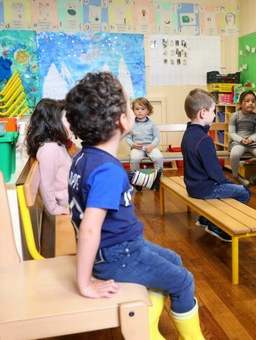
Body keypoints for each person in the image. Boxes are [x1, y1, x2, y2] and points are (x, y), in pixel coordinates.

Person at [65, 72, 204, 340]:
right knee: (183, 281)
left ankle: (147, 325)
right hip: (118, 254)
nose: (132, 109)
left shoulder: (84, 157)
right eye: (129, 105)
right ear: (122, 120)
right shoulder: (107, 169)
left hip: (119, 249)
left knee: (173, 260)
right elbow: (90, 229)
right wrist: (85, 283)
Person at [181, 88, 251, 242]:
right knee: (244, 192)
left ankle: (206, 219)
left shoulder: (188, 134)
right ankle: (218, 227)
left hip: (192, 186)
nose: (214, 114)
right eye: (213, 111)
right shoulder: (204, 140)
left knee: (231, 188)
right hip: (205, 189)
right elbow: (214, 172)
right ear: (202, 113)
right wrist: (229, 183)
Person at [25, 98, 72, 215]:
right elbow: (46, 185)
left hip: (73, 199)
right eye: (68, 120)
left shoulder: (57, 145)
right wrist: (54, 209)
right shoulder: (49, 150)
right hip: (69, 204)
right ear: (53, 123)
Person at [125, 97, 163, 191]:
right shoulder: (131, 124)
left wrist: (152, 145)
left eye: (143, 109)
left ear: (148, 110)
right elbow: (128, 138)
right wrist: (133, 145)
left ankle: (157, 179)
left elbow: (157, 137)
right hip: (137, 148)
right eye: (137, 109)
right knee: (134, 158)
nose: (140, 111)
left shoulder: (152, 124)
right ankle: (137, 180)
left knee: (158, 157)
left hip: (150, 147)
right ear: (133, 110)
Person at [228, 90, 256, 186]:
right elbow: (231, 132)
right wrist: (241, 139)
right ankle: (236, 175)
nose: (250, 103)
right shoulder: (235, 115)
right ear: (241, 103)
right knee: (234, 155)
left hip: (253, 143)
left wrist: (251, 139)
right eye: (247, 101)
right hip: (238, 142)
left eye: (253, 101)